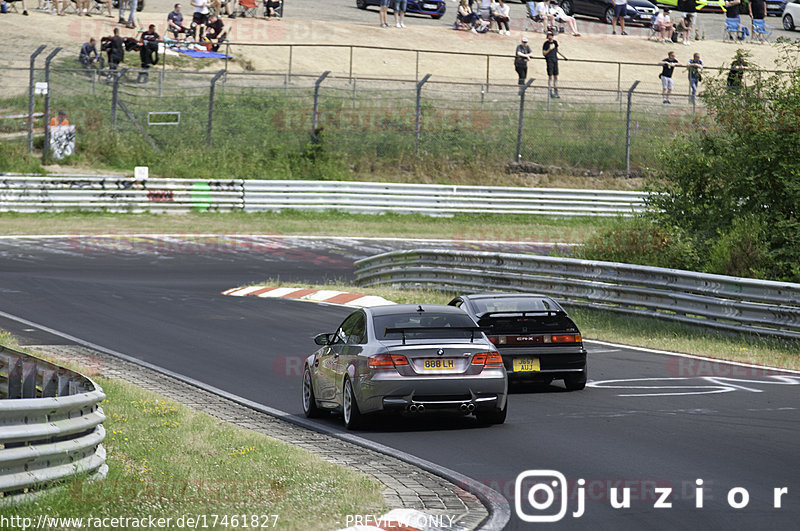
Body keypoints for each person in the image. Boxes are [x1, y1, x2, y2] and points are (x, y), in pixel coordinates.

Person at [542, 30, 567, 98]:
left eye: (551, 35)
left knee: (556, 76)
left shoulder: (555, 42)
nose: (550, 37)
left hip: (555, 60)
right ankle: (550, 91)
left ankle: (556, 91)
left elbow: (557, 50)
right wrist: (549, 49)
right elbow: (544, 53)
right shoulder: (546, 44)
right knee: (550, 76)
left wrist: (563, 56)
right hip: (549, 60)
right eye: (549, 35)